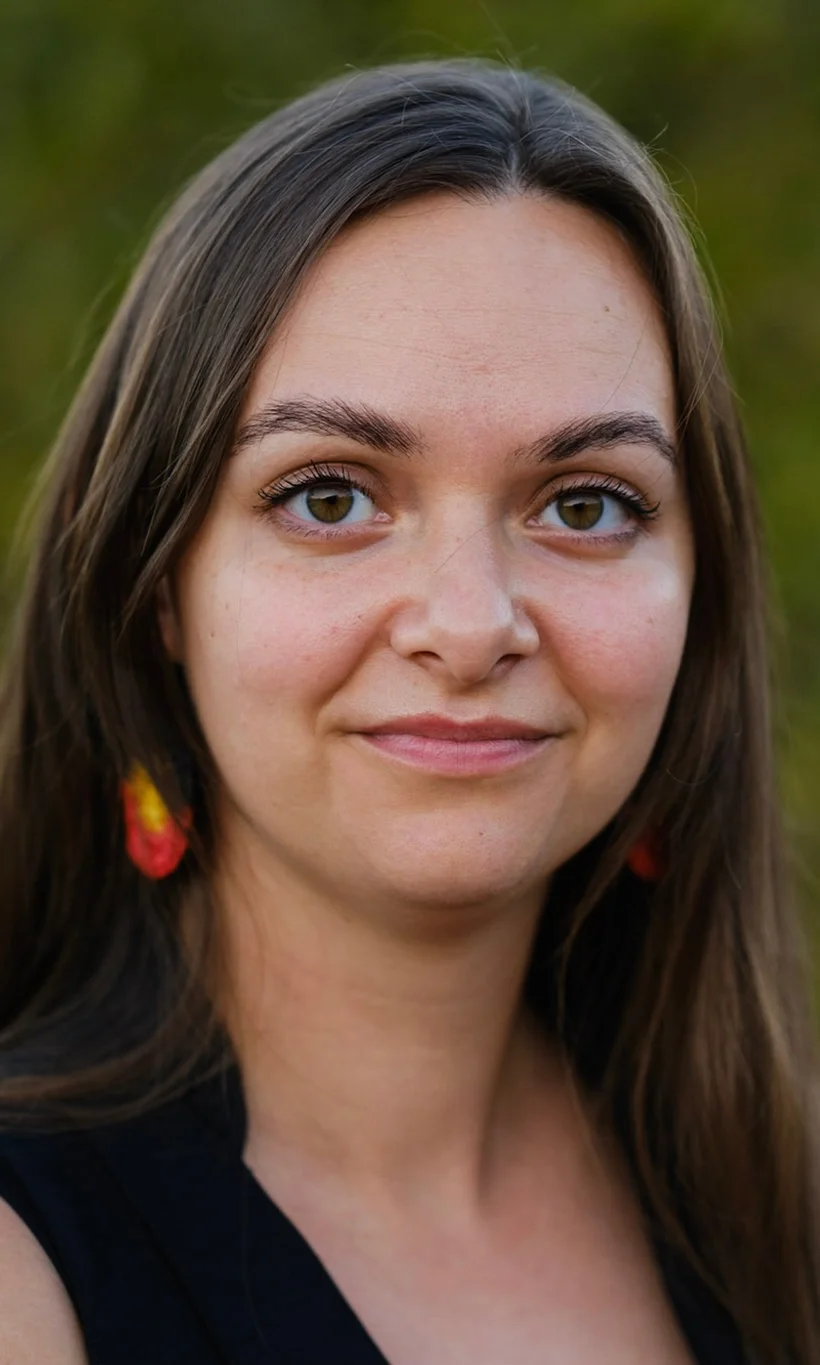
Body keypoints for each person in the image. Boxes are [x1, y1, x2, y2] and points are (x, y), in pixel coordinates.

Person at [0, 58, 816, 1365]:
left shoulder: (773, 1214)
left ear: (698, 603)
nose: (471, 622)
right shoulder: (27, 1270)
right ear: (157, 590)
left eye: (588, 503)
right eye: (331, 496)